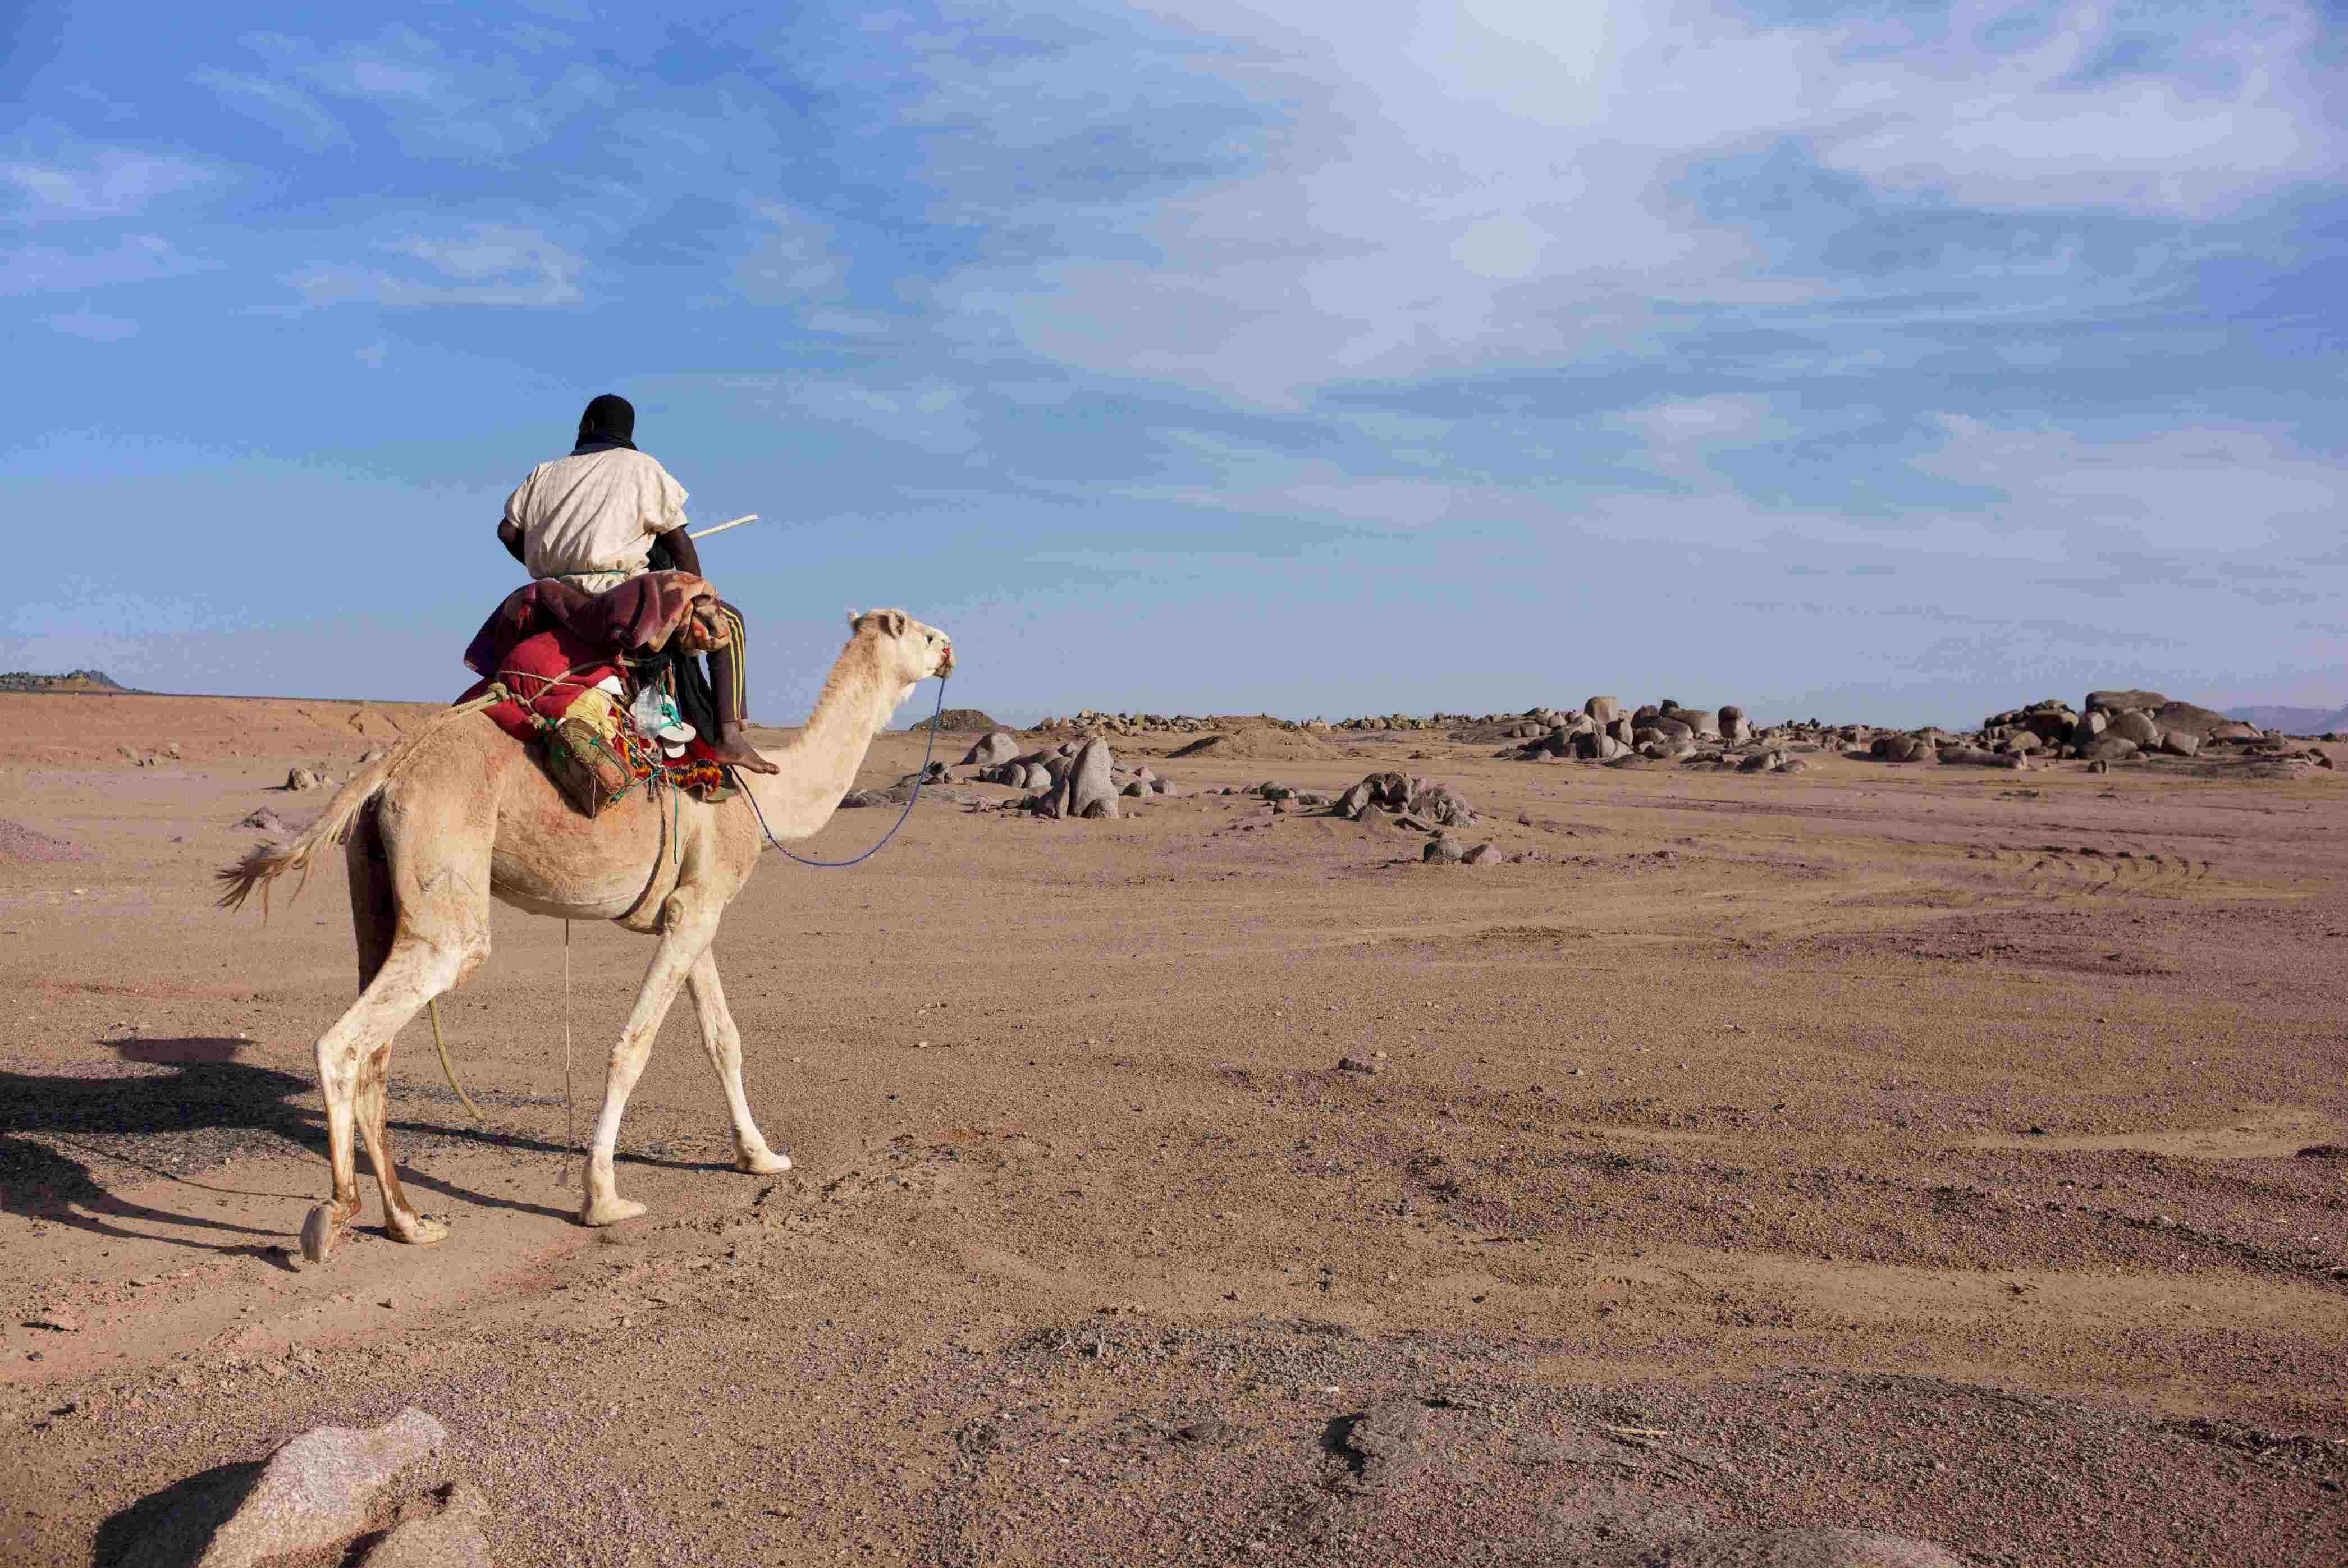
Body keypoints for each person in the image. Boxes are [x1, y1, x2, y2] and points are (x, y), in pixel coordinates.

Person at [496, 394, 776, 774]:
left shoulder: (543, 472)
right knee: (731, 621)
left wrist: (541, 561)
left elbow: (507, 531)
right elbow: (679, 542)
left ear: (588, 427)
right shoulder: (641, 467)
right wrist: (698, 595)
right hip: (612, 597)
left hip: (550, 595)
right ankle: (730, 738)